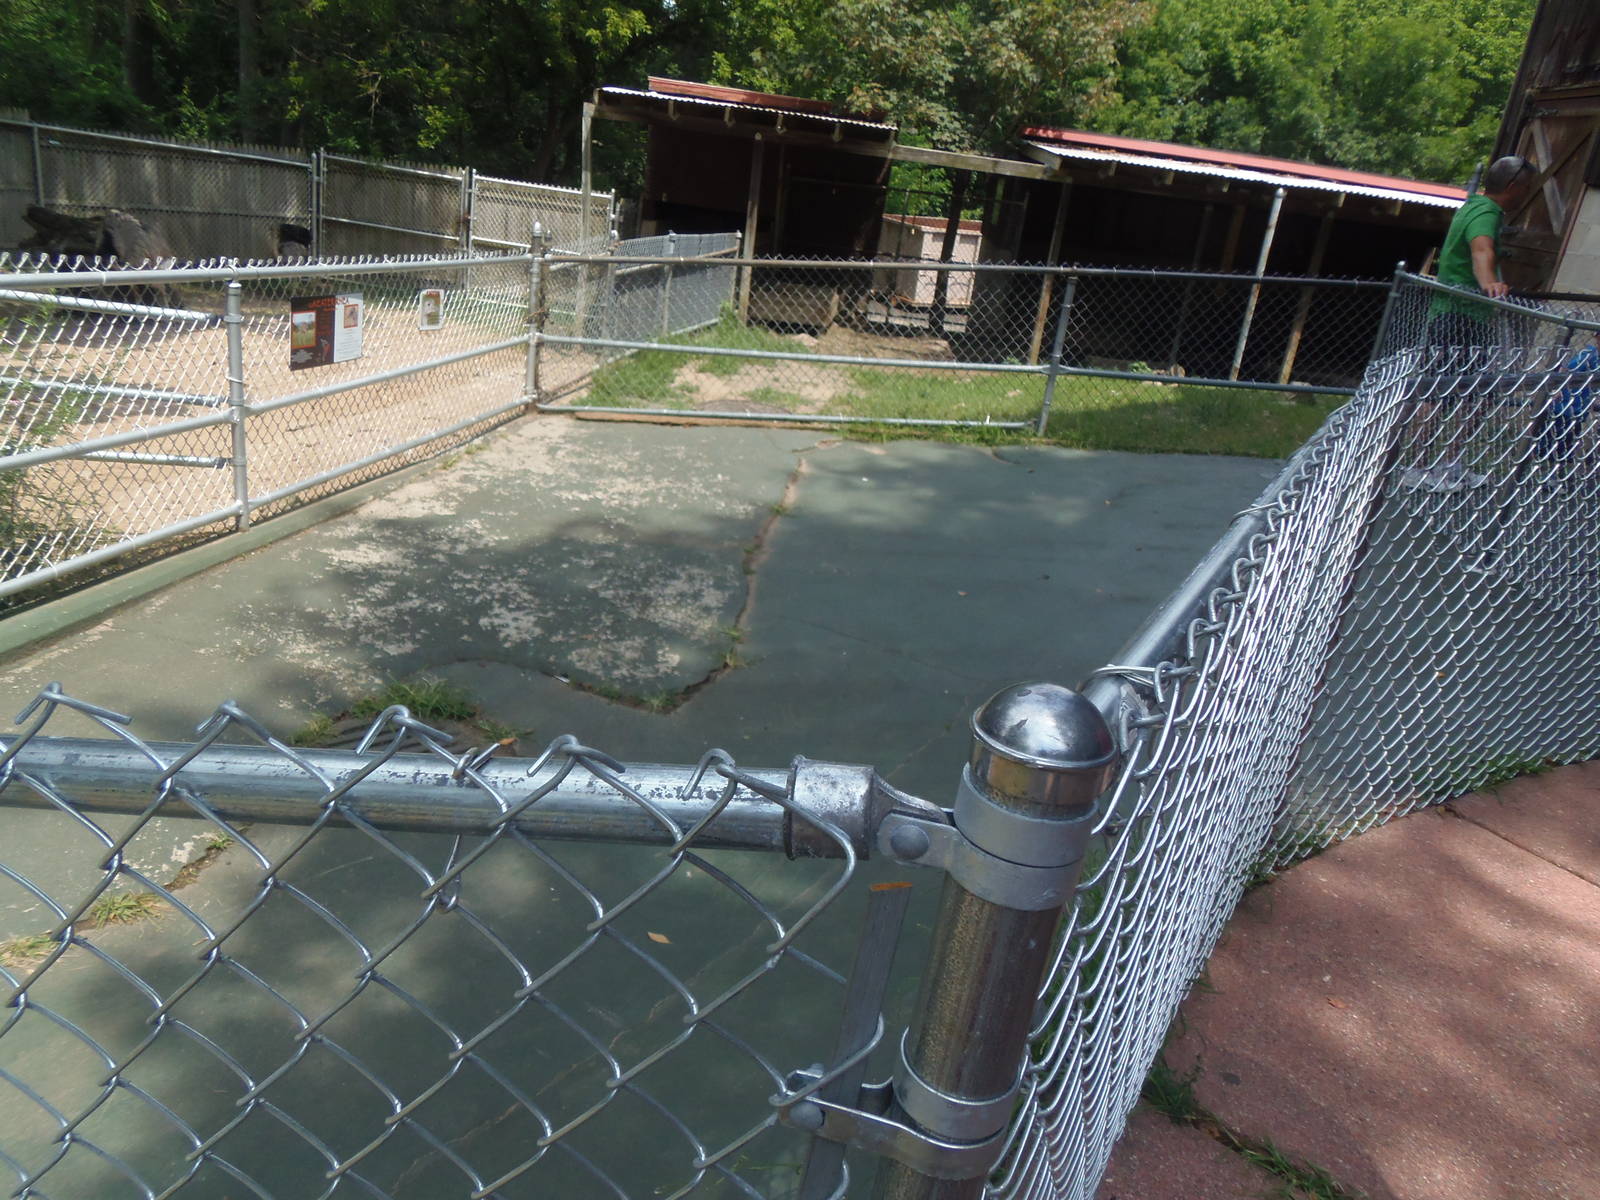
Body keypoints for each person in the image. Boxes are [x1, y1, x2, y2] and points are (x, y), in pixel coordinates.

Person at [1400, 155, 1538, 492]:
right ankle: (1418, 468)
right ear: (1512, 187)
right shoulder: (1484, 213)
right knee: (1438, 391)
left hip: (1470, 317)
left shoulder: (1474, 206)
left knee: (1476, 394)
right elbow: (1481, 250)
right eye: (1526, 188)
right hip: (1456, 315)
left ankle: (1451, 464)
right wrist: (1490, 282)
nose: (1527, 195)